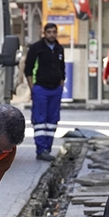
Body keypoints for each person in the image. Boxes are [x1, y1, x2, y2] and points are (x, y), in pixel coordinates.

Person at [24, 23, 65, 161]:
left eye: (54, 32)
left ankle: (48, 148)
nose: (52, 35)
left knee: (52, 120)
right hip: (40, 88)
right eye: (49, 32)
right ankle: (40, 150)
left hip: (55, 89)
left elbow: (62, 69)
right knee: (40, 120)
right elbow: (28, 69)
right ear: (44, 33)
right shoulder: (36, 48)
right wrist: (33, 88)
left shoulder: (59, 48)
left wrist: (60, 86)